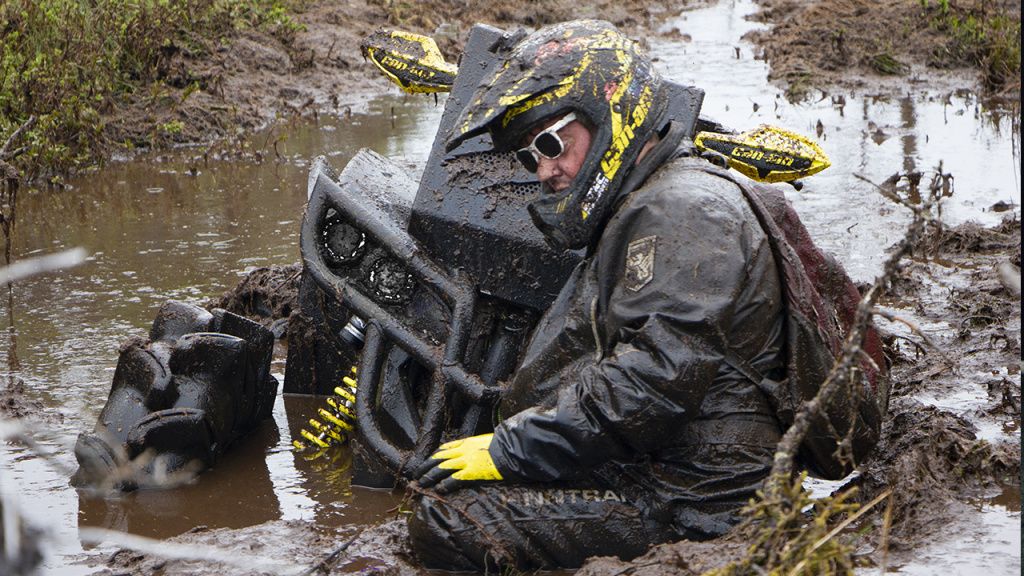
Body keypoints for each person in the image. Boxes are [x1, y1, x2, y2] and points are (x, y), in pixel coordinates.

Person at [408, 19, 790, 570]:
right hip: (662, 468)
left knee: (449, 521)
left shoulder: (682, 211)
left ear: (609, 109)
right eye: (529, 156)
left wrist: (508, 448)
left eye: (550, 143)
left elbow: (654, 381)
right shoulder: (649, 203)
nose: (545, 170)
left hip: (694, 501)